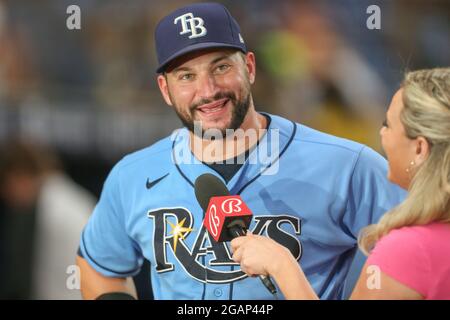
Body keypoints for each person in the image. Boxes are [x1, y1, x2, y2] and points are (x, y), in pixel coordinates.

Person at [76, 2, 405, 300]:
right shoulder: (131, 176)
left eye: (220, 68)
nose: (208, 91)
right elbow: (97, 267)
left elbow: (423, 256)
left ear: (248, 67)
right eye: (186, 76)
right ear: (165, 88)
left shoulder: (346, 166)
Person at [231, 68, 450, 299]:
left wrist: (282, 266)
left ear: (419, 148)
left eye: (388, 124)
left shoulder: (405, 250)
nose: (381, 133)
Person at [0, 140, 95, 299]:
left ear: (19, 175)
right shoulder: (66, 197)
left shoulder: (53, 209)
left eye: (6, 185)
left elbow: (52, 288)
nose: (5, 195)